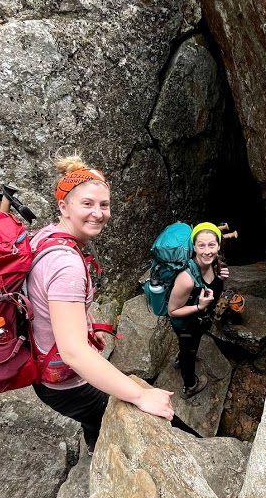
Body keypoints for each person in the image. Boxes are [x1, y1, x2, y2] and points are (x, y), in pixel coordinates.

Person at [26, 154, 174, 454]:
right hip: (66, 385)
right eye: (87, 204)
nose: (98, 213)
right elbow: (74, 353)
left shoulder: (45, 238)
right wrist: (141, 396)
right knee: (105, 415)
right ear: (63, 207)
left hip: (43, 364)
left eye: (103, 205)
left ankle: (93, 440)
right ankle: (102, 448)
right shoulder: (65, 265)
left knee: (93, 418)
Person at [167, 222, 230, 397]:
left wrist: (220, 277)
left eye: (212, 245)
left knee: (187, 347)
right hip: (185, 324)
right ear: (193, 246)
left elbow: (212, 284)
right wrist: (199, 306)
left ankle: (181, 357)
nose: (207, 251)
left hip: (198, 320)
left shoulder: (214, 263)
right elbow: (172, 311)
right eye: (201, 245)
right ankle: (190, 385)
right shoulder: (186, 279)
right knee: (190, 350)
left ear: (218, 245)